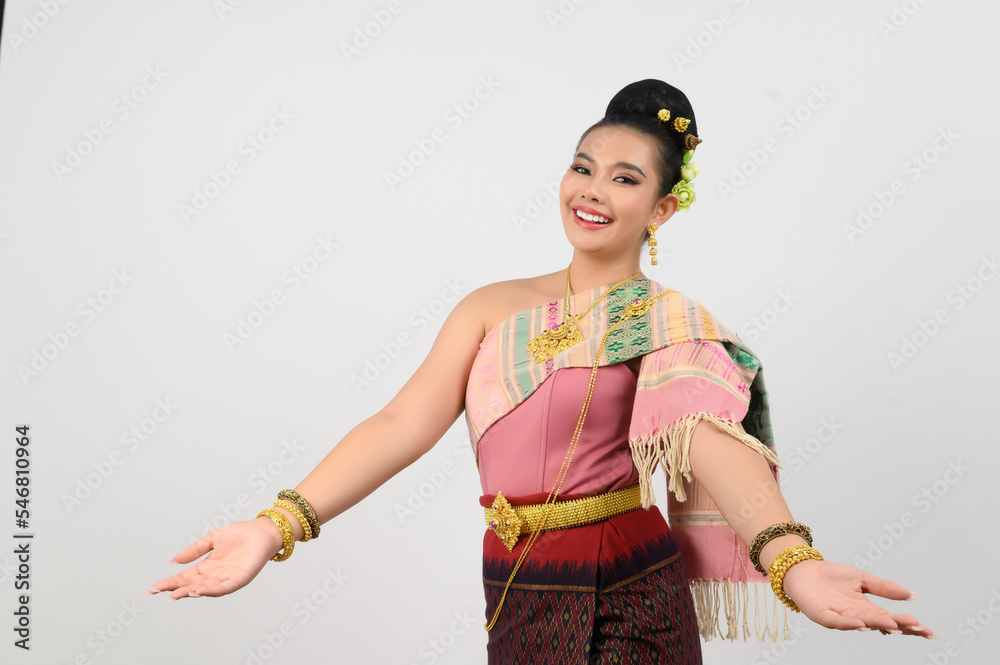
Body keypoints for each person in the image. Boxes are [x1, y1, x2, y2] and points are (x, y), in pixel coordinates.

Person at [149, 79, 935, 663]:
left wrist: (789, 562)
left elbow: (710, 442)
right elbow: (402, 424)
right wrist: (274, 525)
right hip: (515, 584)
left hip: (628, 585)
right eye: (583, 167)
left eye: (626, 178)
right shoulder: (490, 306)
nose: (592, 191)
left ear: (663, 208)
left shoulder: (665, 321)